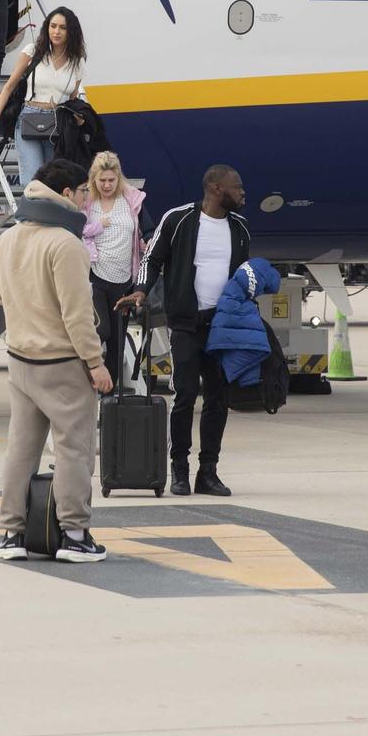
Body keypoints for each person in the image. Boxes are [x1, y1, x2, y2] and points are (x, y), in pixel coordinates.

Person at [0, 157, 114, 562]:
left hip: (20, 360)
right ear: (66, 194)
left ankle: (11, 534)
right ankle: (75, 534)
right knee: (74, 450)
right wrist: (95, 364)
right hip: (61, 363)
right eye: (84, 192)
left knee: (21, 449)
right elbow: (77, 315)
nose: (87, 200)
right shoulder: (66, 244)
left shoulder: (9, 237)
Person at [121, 164, 250, 497]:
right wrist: (141, 290)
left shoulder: (240, 228)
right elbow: (152, 259)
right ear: (215, 188)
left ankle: (208, 471)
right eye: (236, 187)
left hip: (221, 326)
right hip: (186, 323)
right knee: (186, 394)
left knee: (219, 398)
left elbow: (241, 277)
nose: (242, 192)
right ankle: (179, 467)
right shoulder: (179, 220)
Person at [0, 6, 87, 192]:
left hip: (58, 123)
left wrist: (80, 118)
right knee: (33, 182)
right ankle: (32, 220)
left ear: (71, 31)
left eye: (62, 27)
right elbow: (9, 86)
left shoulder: (77, 62)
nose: (56, 31)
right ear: (47, 27)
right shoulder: (33, 51)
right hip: (29, 117)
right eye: (53, 26)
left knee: (55, 183)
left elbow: (73, 101)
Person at [82, 151, 147, 357]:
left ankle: (108, 389)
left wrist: (150, 241)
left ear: (118, 178)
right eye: (102, 180)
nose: (107, 185)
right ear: (94, 179)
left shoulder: (131, 201)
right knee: (102, 330)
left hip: (123, 278)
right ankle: (86, 370)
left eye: (111, 180)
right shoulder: (86, 202)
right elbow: (77, 231)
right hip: (95, 274)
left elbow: (148, 229)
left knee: (117, 344)